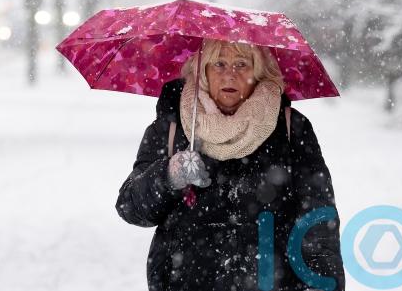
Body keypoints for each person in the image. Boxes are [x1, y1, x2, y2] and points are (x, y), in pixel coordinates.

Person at [115, 39, 345, 291]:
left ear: (258, 73)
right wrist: (169, 175)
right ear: (203, 72)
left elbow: (319, 220)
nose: (230, 75)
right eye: (219, 64)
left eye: (242, 65)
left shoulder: (291, 128)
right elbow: (131, 207)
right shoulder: (170, 128)